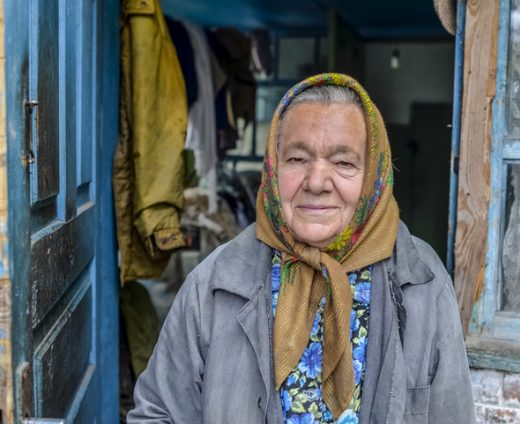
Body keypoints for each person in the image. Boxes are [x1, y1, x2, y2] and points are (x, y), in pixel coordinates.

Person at [128, 73, 475, 423]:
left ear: (373, 175)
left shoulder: (422, 283)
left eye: (343, 162)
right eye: (297, 159)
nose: (316, 182)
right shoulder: (217, 281)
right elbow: (157, 413)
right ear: (273, 167)